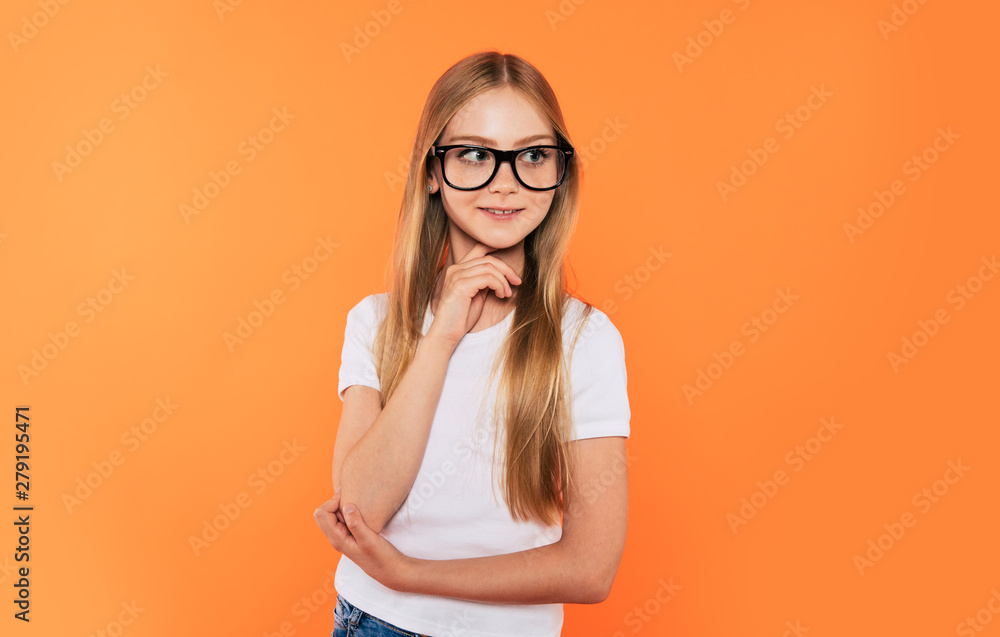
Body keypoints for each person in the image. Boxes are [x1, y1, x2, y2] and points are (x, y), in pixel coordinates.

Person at [313, 49, 631, 637]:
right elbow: (361, 509)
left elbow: (591, 569)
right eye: (476, 154)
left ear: (560, 171)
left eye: (533, 155)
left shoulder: (584, 340)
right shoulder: (377, 323)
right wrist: (442, 336)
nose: (506, 183)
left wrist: (411, 575)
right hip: (373, 622)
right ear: (433, 172)